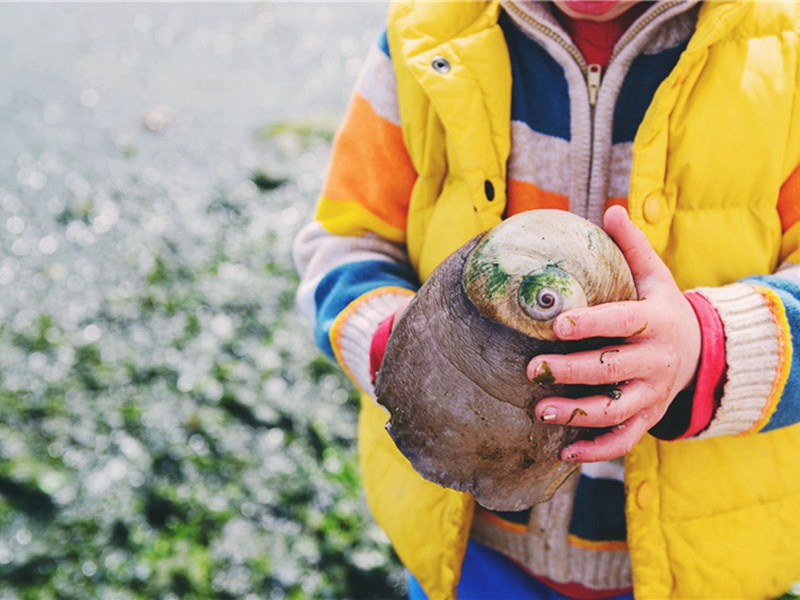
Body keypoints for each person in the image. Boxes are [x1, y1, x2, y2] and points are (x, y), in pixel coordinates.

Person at [293, 0, 800, 597]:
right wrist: (405, 353)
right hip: (470, 547)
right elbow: (346, 241)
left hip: (702, 560)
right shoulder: (428, 32)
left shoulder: (784, 51)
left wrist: (704, 350)